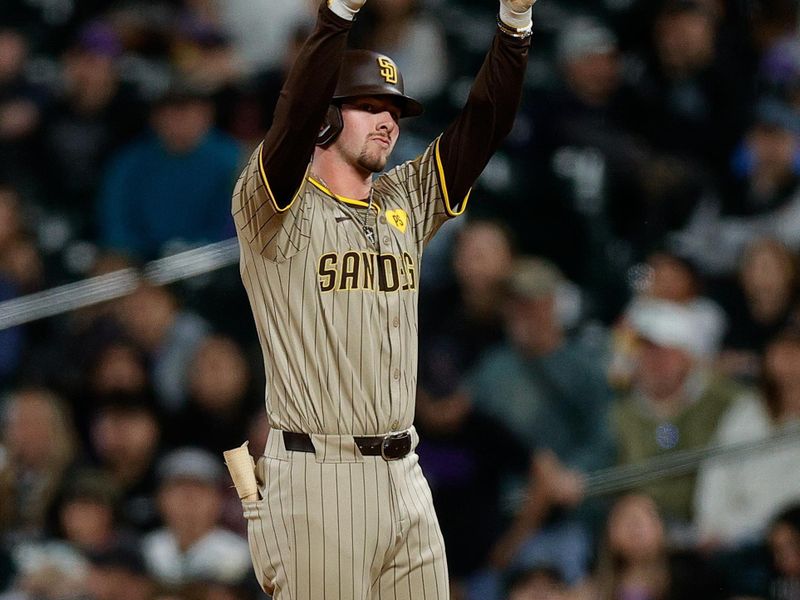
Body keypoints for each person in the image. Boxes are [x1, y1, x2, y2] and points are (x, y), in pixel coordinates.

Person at [231, 0, 536, 596]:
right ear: (325, 118)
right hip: (318, 473)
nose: (387, 121)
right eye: (368, 106)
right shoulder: (271, 207)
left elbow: (485, 124)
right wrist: (337, 16)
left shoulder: (404, 200)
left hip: (406, 470)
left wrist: (514, 28)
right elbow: (289, 120)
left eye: (393, 110)